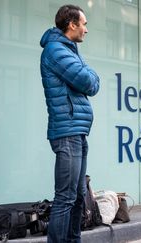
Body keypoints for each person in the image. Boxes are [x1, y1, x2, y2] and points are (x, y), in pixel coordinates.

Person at [40, 4, 100, 243]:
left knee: (78, 196)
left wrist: (90, 74)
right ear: (72, 24)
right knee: (65, 197)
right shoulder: (56, 50)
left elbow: (88, 78)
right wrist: (91, 75)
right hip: (67, 132)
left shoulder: (69, 49)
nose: (86, 29)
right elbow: (89, 82)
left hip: (76, 131)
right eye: (84, 24)